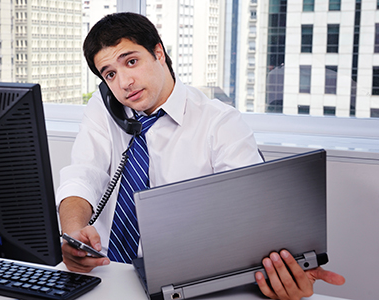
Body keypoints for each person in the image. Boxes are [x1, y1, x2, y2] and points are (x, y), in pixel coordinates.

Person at [56, 12, 345, 300]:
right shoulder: (104, 107)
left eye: (131, 62)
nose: (124, 83)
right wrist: (74, 237)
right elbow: (83, 174)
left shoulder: (221, 123)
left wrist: (282, 272)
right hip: (106, 272)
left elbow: (253, 219)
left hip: (183, 282)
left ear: (159, 53)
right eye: (110, 74)